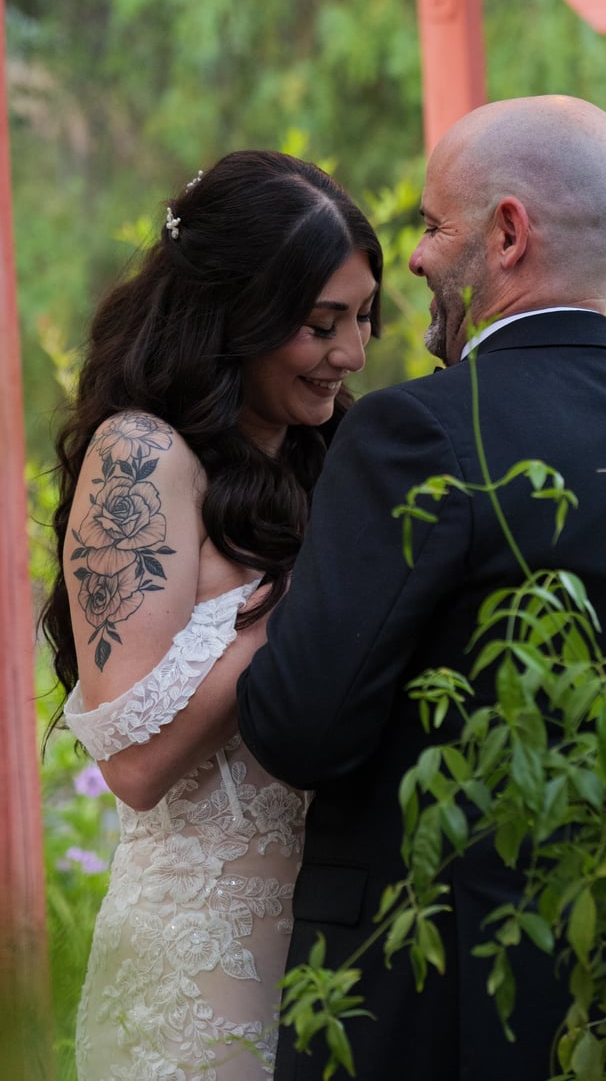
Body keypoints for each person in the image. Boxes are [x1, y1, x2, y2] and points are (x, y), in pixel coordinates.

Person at [236, 96, 606, 1081]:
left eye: (432, 225)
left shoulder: (419, 433)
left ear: (507, 234)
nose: (413, 258)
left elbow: (300, 728)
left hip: (412, 1007)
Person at [41, 149, 382, 1081]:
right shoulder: (141, 455)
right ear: (237, 311)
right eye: (321, 325)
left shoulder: (329, 458)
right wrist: (312, 588)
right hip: (193, 985)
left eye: (364, 318)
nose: (352, 355)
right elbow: (136, 766)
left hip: (335, 972)